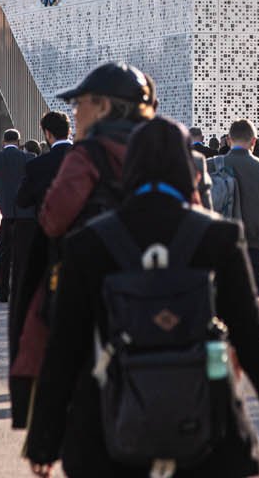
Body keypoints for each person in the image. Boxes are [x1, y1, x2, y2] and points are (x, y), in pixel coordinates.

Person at [25, 116, 259, 477]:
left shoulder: (89, 243)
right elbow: (253, 337)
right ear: (189, 170)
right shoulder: (218, 237)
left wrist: (44, 439)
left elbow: (64, 346)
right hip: (208, 431)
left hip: (112, 432)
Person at [11, 63, 157, 419]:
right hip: (159, 288)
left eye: (80, 104)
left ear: (105, 107)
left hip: (94, 292)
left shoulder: (87, 156)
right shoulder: (167, 150)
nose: (75, 113)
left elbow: (54, 218)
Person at [8, 109, 74, 425]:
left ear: (47, 134)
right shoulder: (87, 160)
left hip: (49, 246)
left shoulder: (37, 165)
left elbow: (22, 200)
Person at [217, 119, 259, 292]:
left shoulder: (213, 166)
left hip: (220, 247)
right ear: (254, 141)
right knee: (253, 306)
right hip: (256, 249)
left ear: (229, 140)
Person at [0, 127, 30, 302]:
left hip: (0, 209)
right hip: (23, 212)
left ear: (3, 142)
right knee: (21, 253)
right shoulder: (28, 159)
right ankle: (19, 290)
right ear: (18, 142)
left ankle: (2, 290)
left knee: (2, 252)